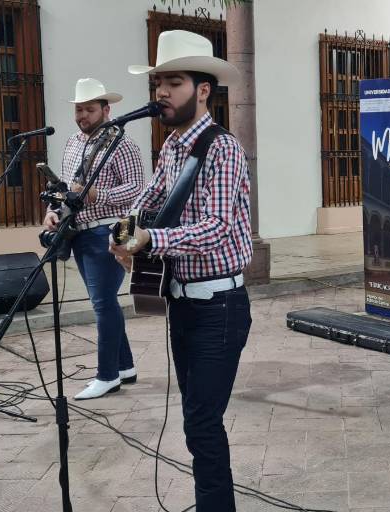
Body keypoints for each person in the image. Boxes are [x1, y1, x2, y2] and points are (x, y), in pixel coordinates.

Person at [109, 30, 252, 511]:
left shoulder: (223, 148)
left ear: (203, 89)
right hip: (182, 304)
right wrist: (122, 232)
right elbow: (146, 202)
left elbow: (216, 226)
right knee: (197, 421)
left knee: (202, 420)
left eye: (173, 82)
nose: (161, 93)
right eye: (157, 84)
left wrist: (153, 239)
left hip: (221, 308)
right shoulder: (171, 147)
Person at [43, 77, 144, 400]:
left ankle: (107, 375)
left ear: (106, 109)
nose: (82, 115)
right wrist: (52, 210)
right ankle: (125, 367)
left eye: (89, 109)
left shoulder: (123, 144)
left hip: (116, 227)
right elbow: (66, 188)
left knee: (102, 304)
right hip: (81, 232)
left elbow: (136, 189)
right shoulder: (73, 142)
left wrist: (96, 195)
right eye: (78, 109)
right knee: (105, 302)